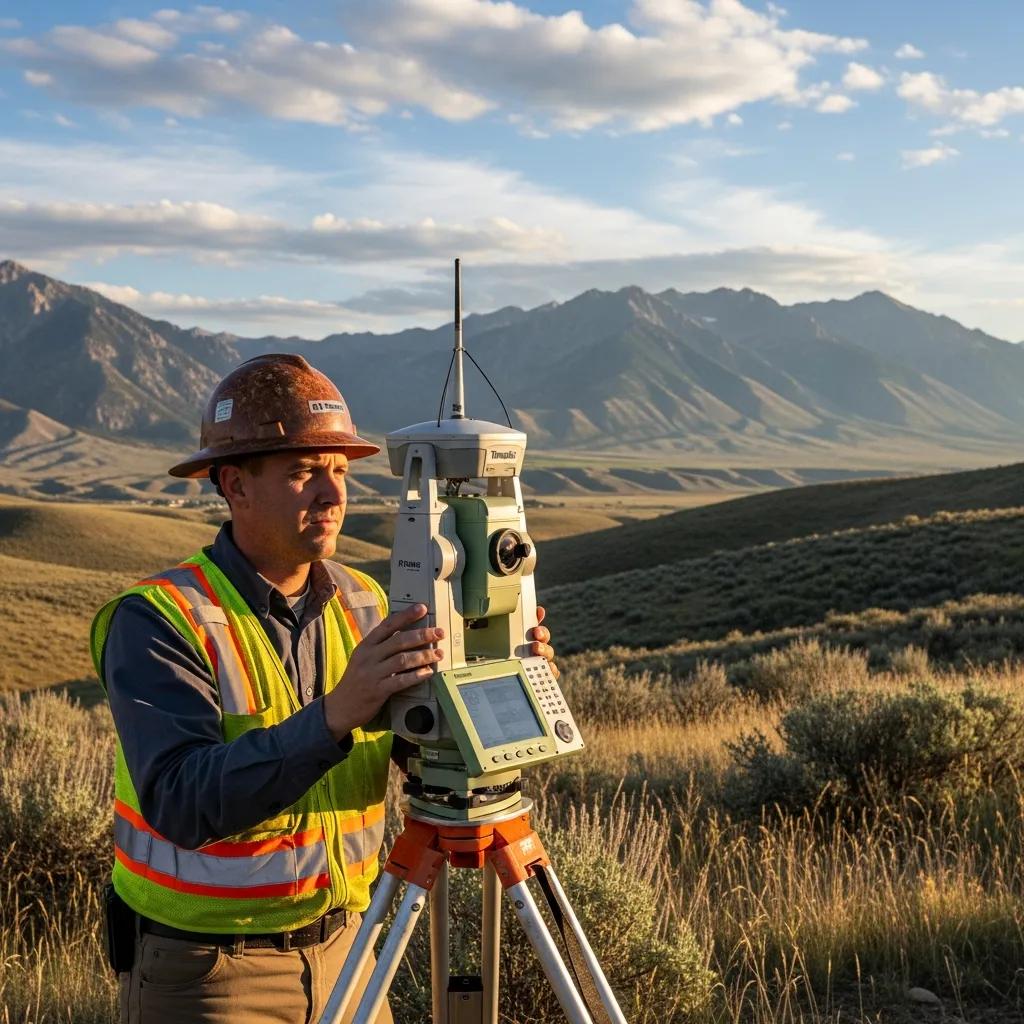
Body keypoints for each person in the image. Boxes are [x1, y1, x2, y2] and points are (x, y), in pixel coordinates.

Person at [91, 354, 558, 1024]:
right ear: (235, 485)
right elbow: (181, 800)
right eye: (304, 471)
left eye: (339, 470)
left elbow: (417, 753)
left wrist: (499, 672)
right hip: (212, 977)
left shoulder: (367, 603)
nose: (334, 494)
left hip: (351, 950)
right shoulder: (159, 619)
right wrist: (337, 714)